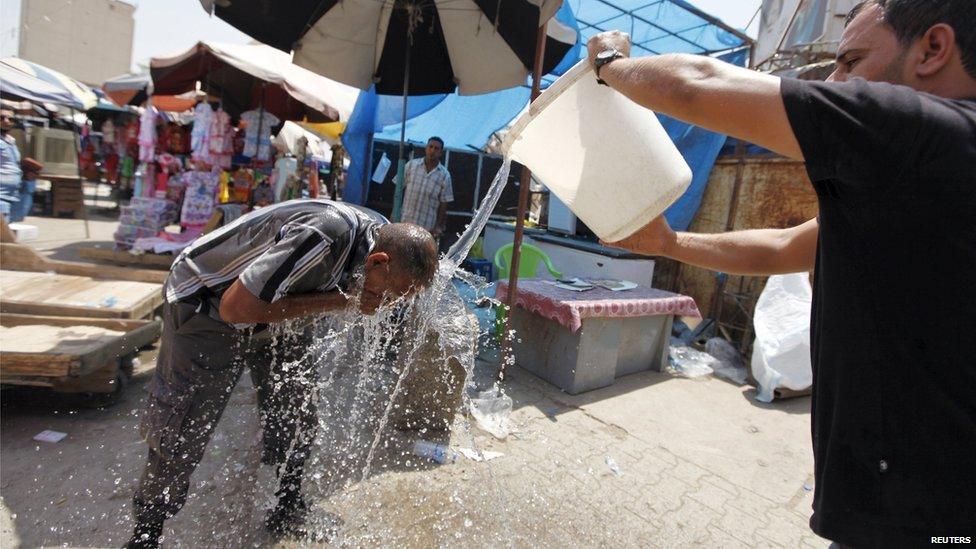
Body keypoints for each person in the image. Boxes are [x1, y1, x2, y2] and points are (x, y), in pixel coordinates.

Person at [587, 0, 975, 546]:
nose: (837, 79)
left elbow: (694, 84)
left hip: (925, 516)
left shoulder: (923, 130)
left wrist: (608, 63)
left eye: (852, 60)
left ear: (932, 49)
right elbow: (785, 248)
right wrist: (668, 242)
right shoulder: (924, 176)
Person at [126, 199, 439, 548]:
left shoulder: (380, 237)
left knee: (297, 407)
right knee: (185, 423)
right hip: (208, 303)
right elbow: (236, 308)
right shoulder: (324, 234)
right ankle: (146, 532)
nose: (388, 303)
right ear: (379, 262)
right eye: (391, 293)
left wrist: (344, 298)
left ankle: (288, 505)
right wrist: (342, 300)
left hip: (278, 302)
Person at [400, 136, 454, 238]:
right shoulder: (411, 166)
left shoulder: (444, 175)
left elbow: (443, 204)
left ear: (441, 153)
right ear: (426, 148)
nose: (432, 151)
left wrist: (438, 226)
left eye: (436, 148)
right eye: (430, 146)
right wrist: (394, 214)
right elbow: (398, 191)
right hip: (405, 222)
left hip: (426, 229)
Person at [0, 109, 23, 221]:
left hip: (11, 195)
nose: (6, 121)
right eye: (2, 118)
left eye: (10, 119)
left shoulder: (11, 141)